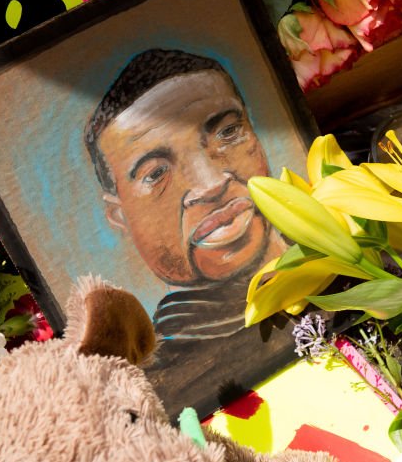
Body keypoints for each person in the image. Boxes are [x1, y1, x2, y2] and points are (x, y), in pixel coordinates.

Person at [84, 48, 292, 415]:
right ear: (119, 216)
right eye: (155, 173)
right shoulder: (158, 395)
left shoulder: (360, 254)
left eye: (228, 133)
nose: (211, 184)